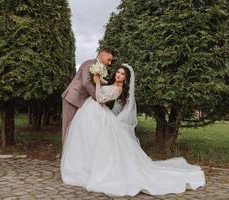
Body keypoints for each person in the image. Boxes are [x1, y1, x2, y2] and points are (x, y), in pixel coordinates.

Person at [60, 64, 205, 197]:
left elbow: (100, 98)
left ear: (126, 78)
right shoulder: (112, 84)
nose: (118, 75)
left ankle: (95, 173)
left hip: (99, 114)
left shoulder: (118, 89)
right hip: (93, 114)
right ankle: (85, 169)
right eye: (118, 72)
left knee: (100, 145)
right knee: (89, 143)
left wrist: (97, 81)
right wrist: (100, 78)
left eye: (122, 74)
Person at [61, 48, 113, 144]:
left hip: (83, 102)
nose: (110, 63)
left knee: (76, 130)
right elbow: (86, 83)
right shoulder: (89, 63)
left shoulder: (100, 68)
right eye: (108, 59)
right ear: (102, 55)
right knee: (68, 128)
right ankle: (64, 156)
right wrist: (98, 98)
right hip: (72, 98)